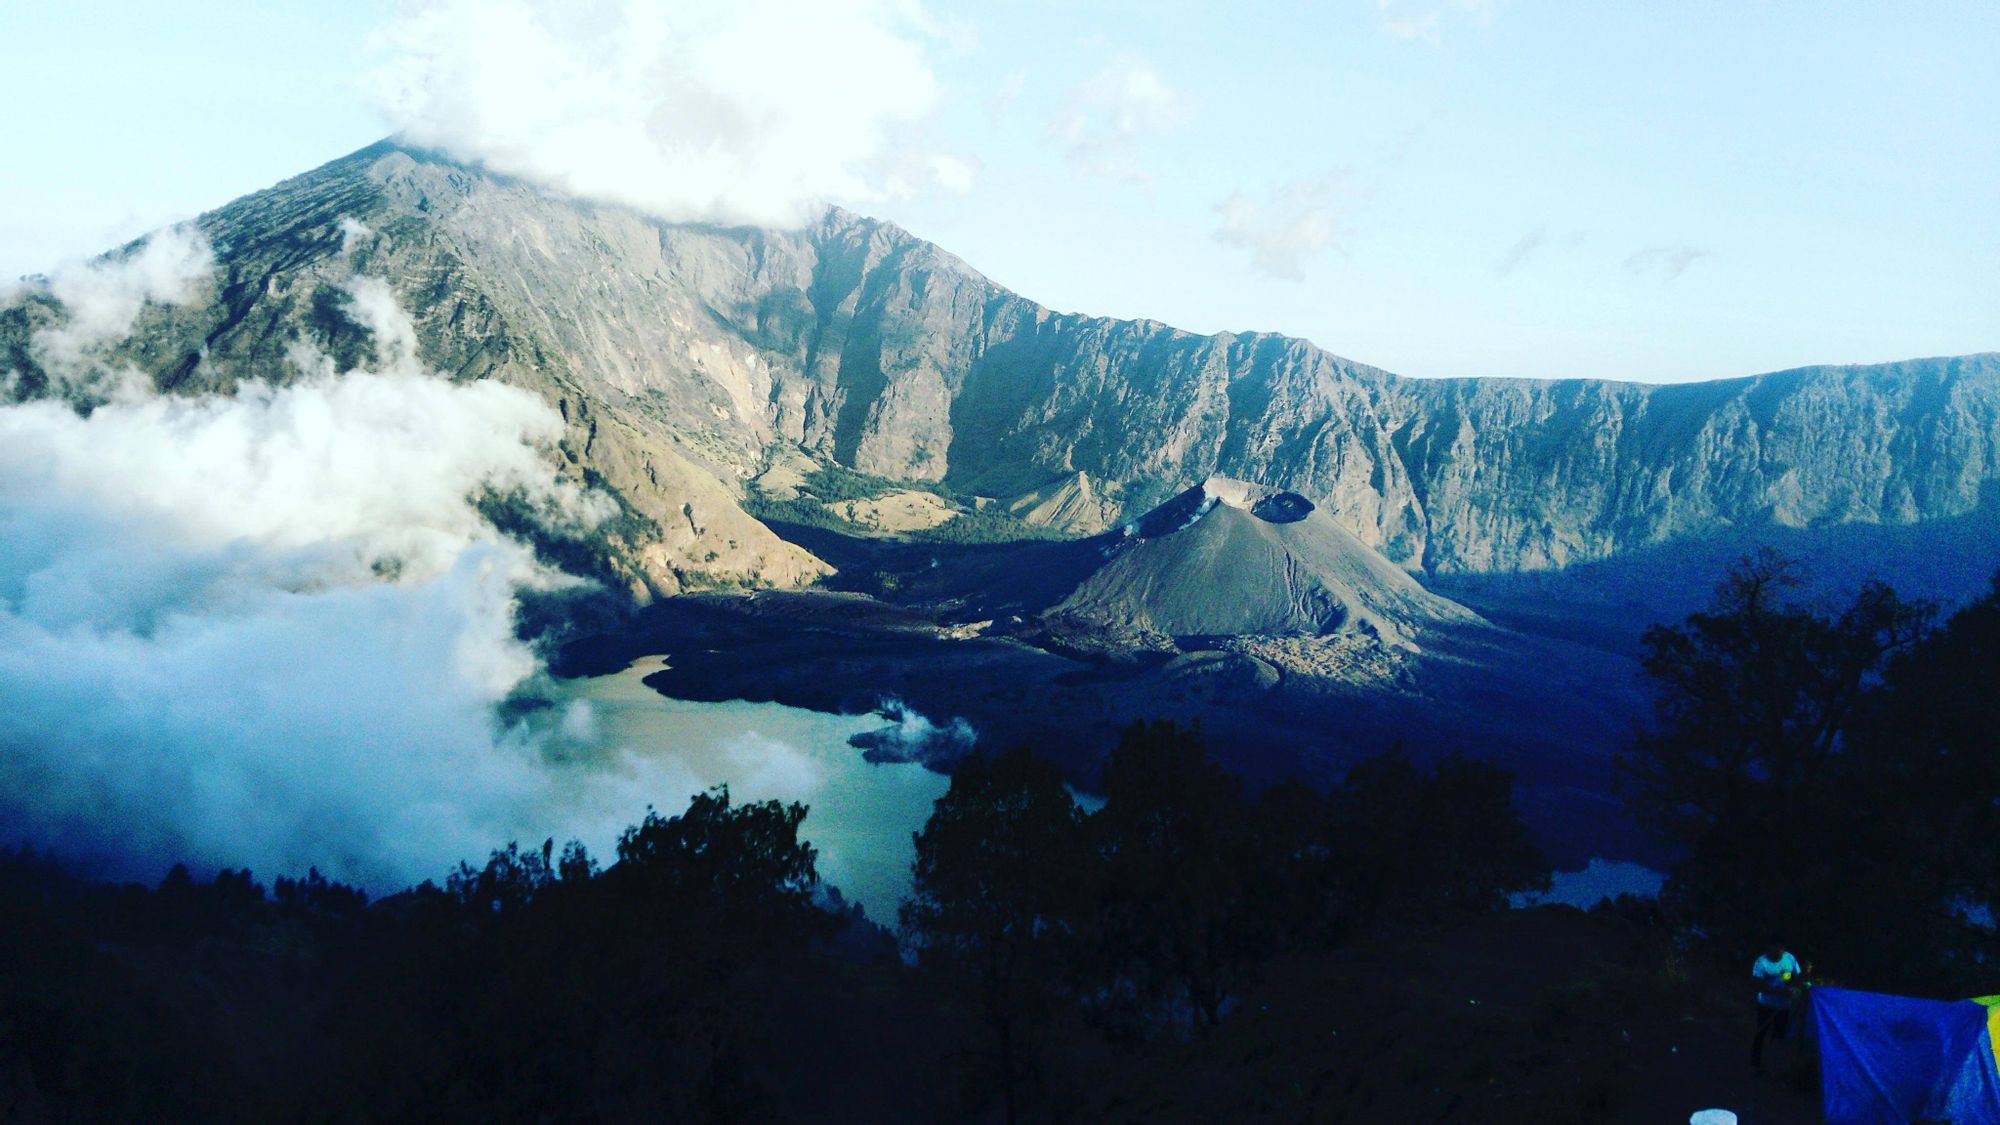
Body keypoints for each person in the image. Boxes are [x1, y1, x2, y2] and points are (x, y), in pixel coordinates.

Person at [1750, 943, 1803, 1073]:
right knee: (1761, 1033)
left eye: (1779, 948)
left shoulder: (1789, 959)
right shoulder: (1761, 962)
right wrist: (1781, 992)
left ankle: (1774, 1065)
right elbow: (1759, 985)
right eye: (1773, 948)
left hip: (1783, 1006)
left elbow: (1795, 976)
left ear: (1783, 949)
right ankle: (1755, 1064)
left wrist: (1795, 987)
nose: (1776, 951)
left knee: (1778, 1037)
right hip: (1766, 1004)